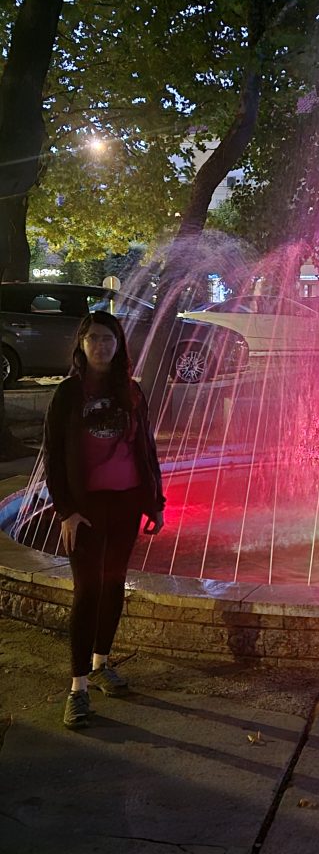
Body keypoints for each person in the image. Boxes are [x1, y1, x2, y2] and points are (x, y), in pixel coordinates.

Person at [43, 311, 165, 729]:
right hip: (86, 509)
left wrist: (155, 502)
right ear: (81, 344)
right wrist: (66, 511)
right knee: (87, 591)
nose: (101, 346)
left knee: (114, 585)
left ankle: (101, 664)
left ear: (119, 345)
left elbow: (145, 449)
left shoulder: (130, 391)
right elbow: (54, 457)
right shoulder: (68, 394)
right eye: (93, 338)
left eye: (108, 339)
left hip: (126, 503)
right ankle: (77, 688)